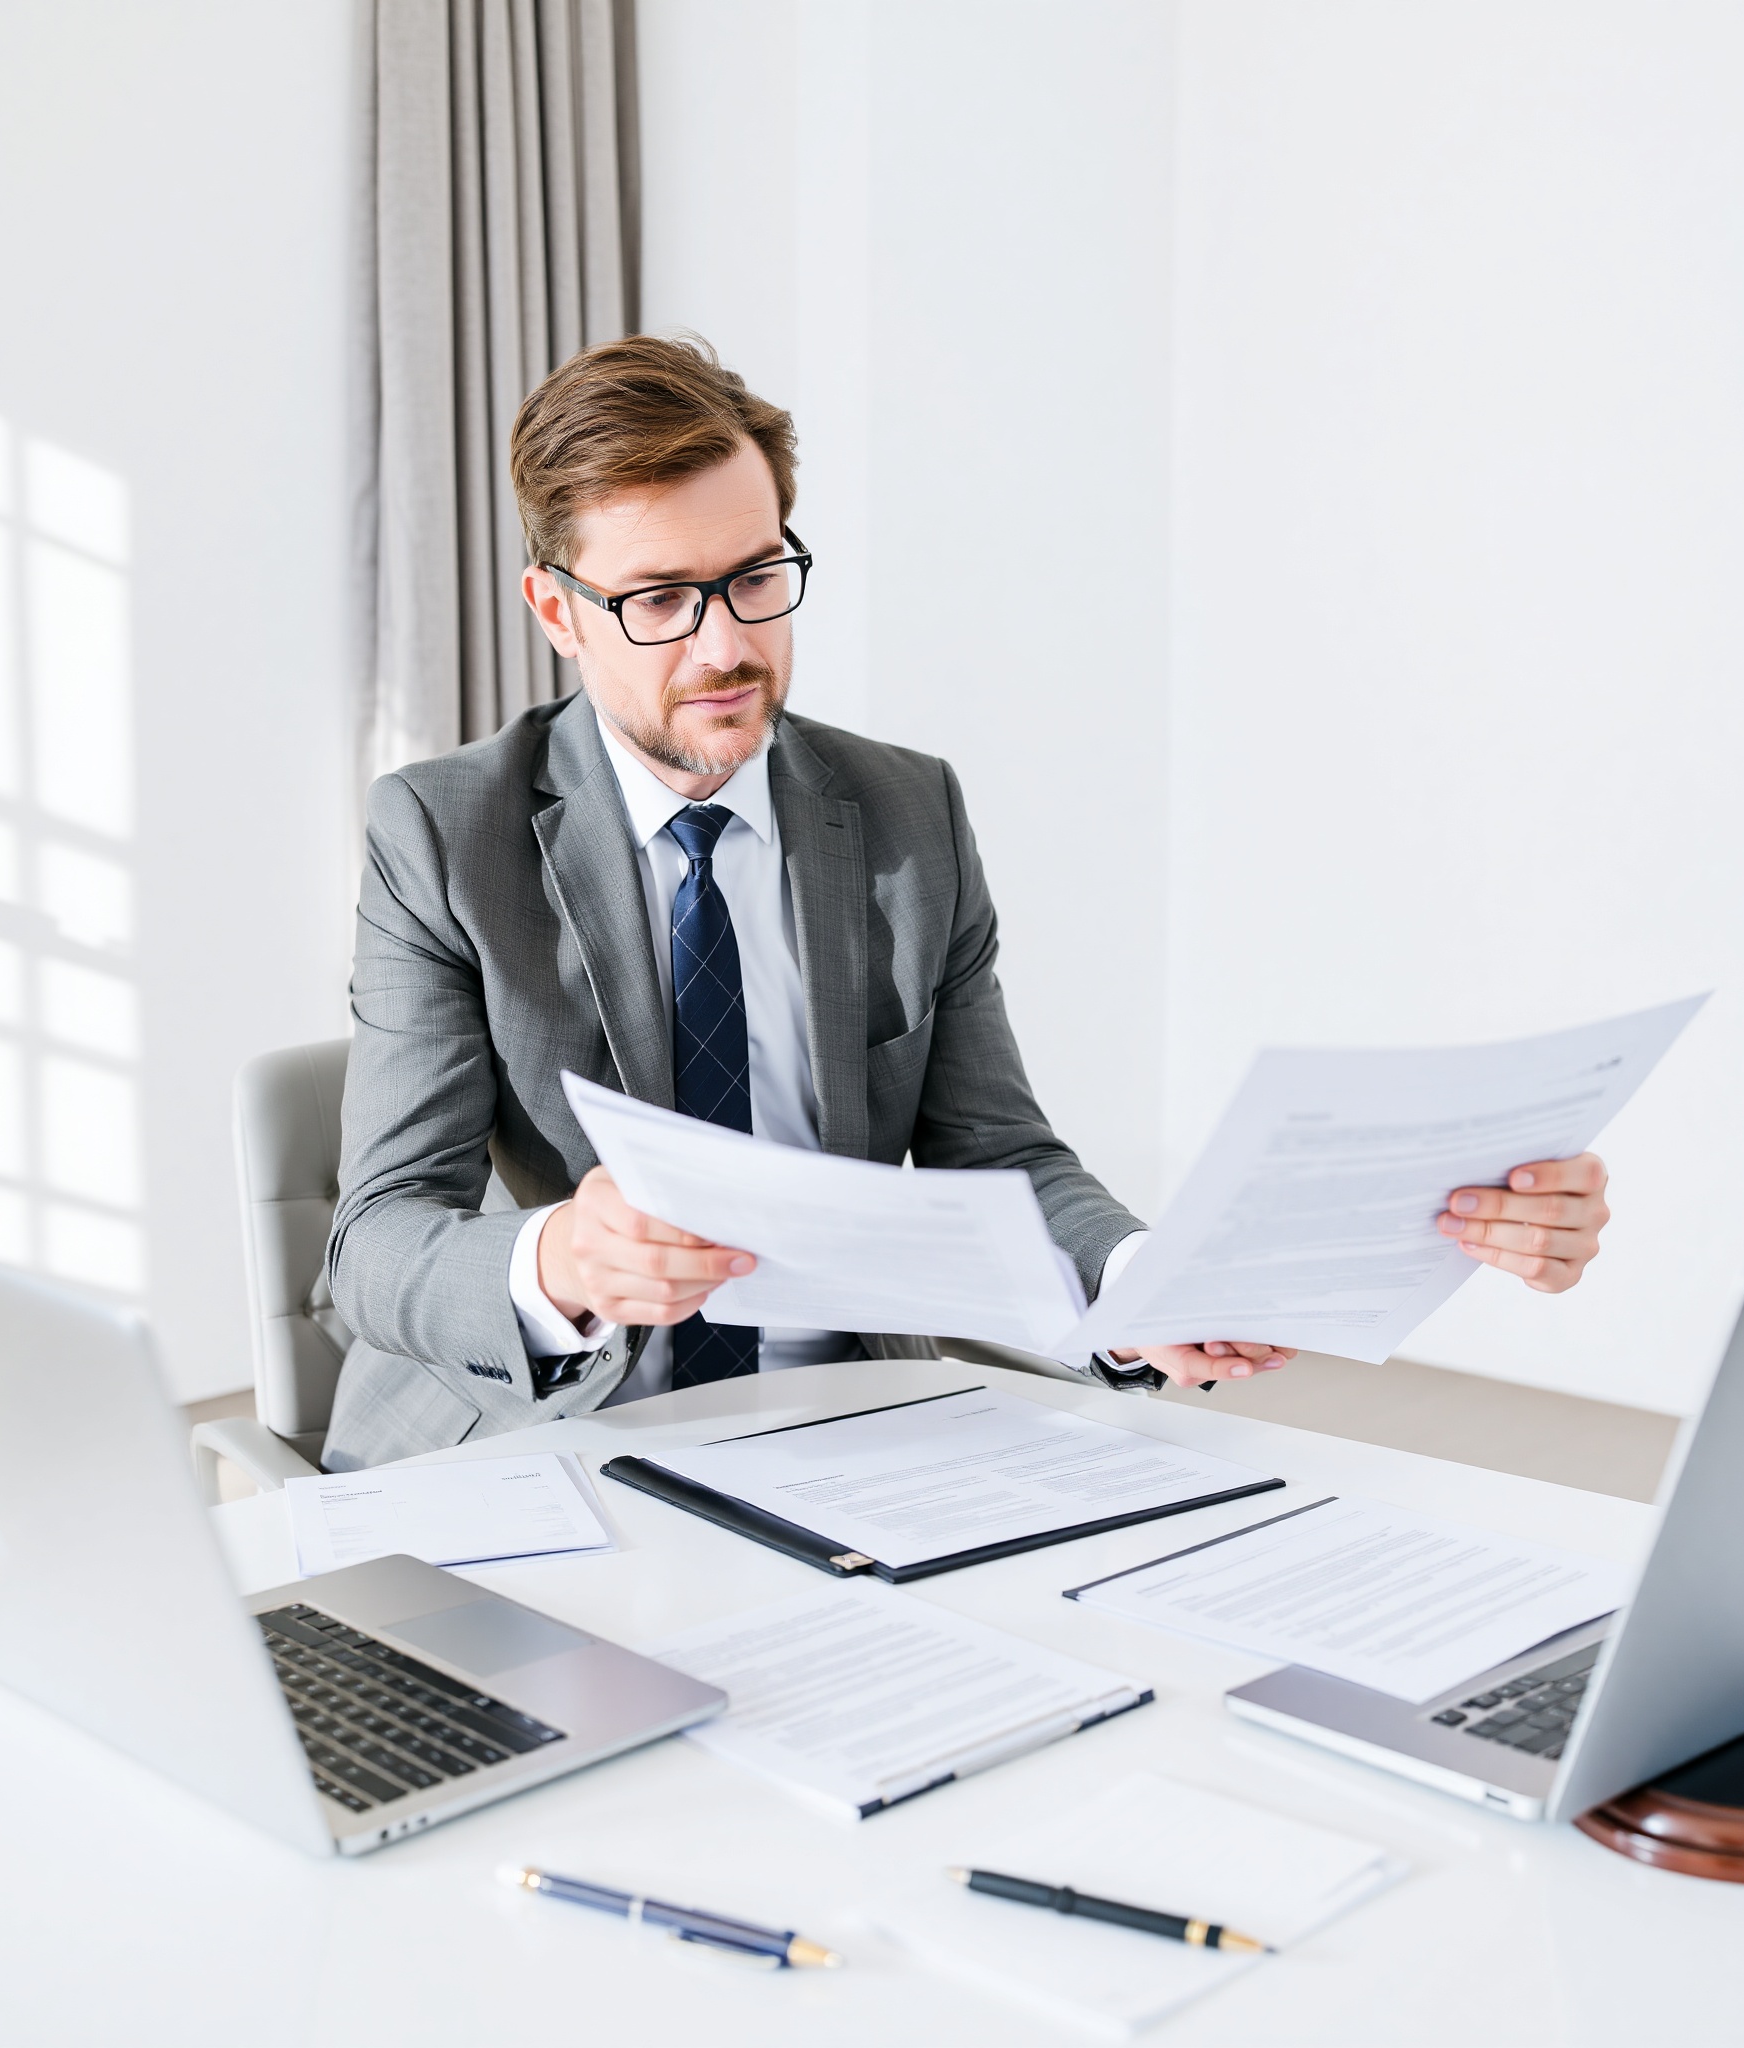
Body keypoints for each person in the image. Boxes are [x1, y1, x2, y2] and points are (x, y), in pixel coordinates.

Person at [320, 336, 1611, 1470]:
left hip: (846, 1429)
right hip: (556, 1442)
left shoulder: (901, 815)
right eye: (659, 601)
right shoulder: (444, 834)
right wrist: (555, 1262)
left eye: (756, 578)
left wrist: (1138, 1285)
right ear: (559, 609)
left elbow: (999, 1153)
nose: (726, 646)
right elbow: (372, 1247)